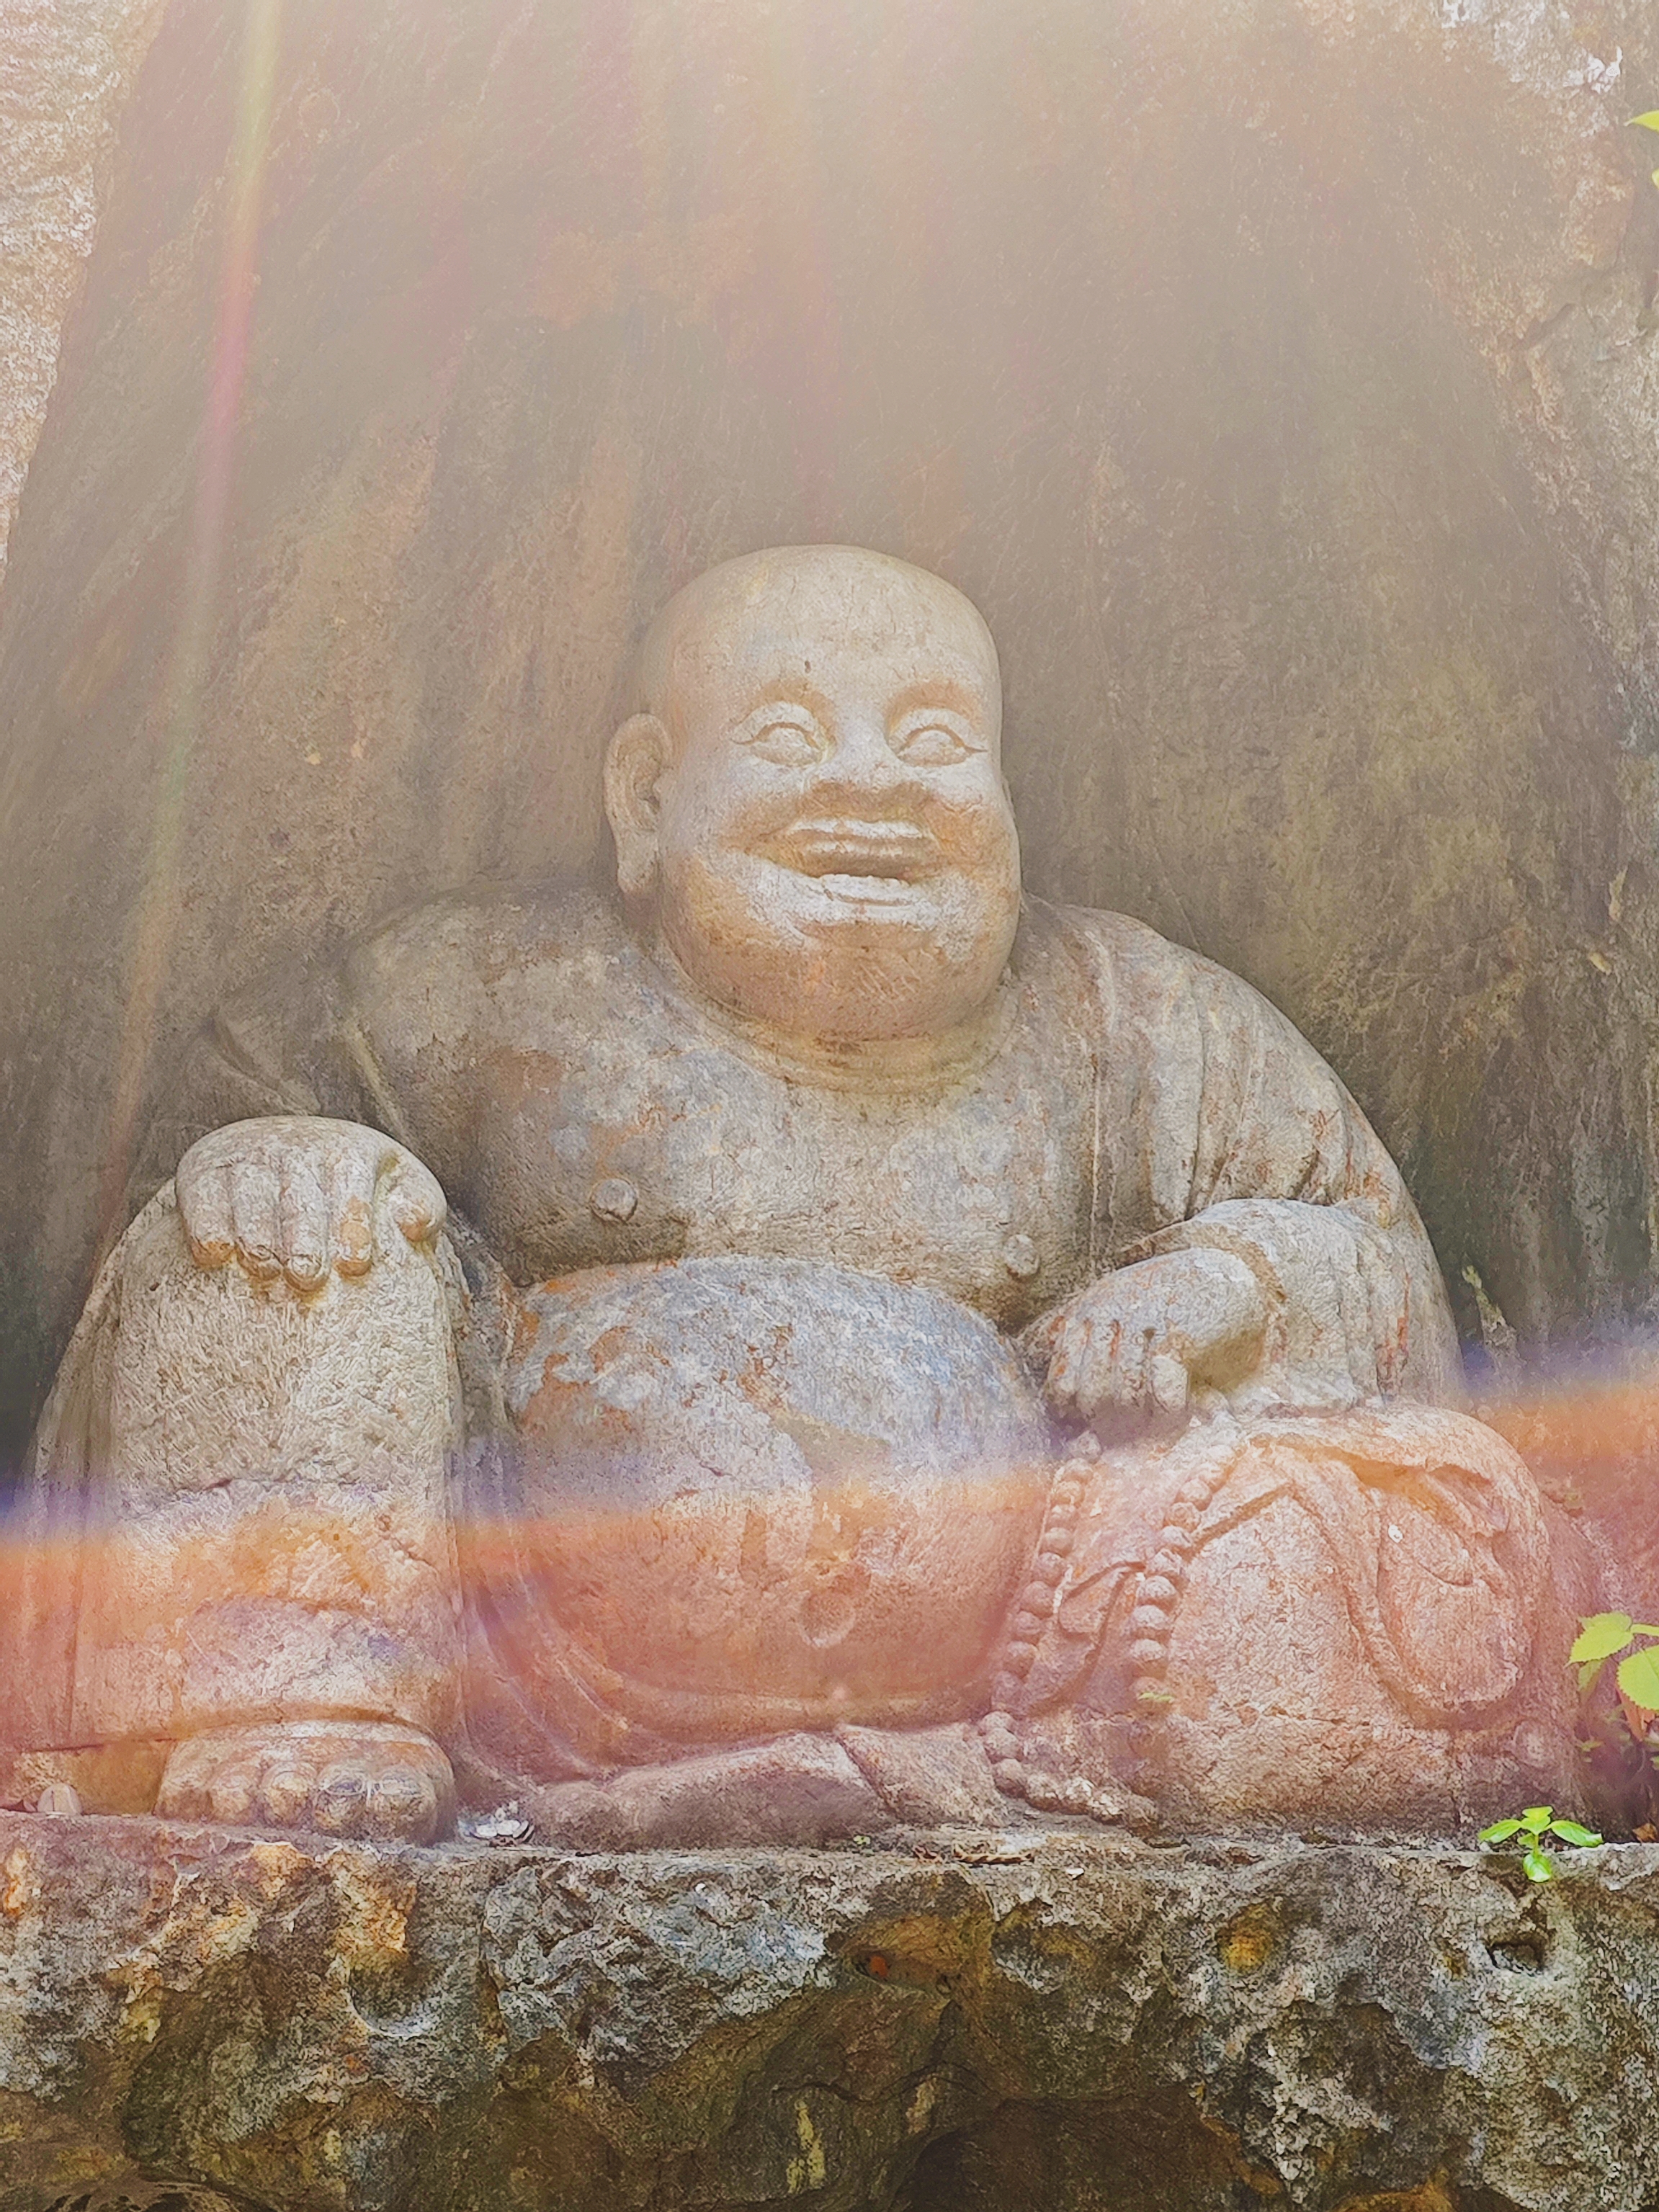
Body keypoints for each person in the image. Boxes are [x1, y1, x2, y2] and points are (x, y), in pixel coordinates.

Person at [7, 546, 1588, 1844]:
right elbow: (186, 1200)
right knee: (290, 1242)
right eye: (783, 739)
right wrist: (290, 1160)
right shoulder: (476, 994)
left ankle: (952, 1776)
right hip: (515, 1641)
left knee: (1398, 1520)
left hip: (1036, 1641)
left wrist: (1224, 1285)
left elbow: (1383, 1278)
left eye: (931, 741)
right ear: (644, 796)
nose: (870, 788)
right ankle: (294, 1694)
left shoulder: (1145, 1022)